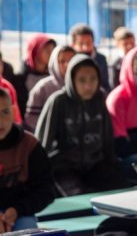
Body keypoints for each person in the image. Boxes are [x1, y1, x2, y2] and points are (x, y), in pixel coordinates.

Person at [35, 54, 126, 196]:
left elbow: (107, 137)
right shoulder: (58, 101)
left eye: (93, 79)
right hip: (64, 167)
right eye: (82, 80)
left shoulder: (99, 98)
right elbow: (43, 141)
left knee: (120, 189)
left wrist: (112, 163)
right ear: (72, 80)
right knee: (79, 197)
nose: (88, 85)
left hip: (95, 164)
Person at [0, 88, 55, 232]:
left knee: (26, 230)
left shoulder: (29, 145)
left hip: (20, 213)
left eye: (5, 112)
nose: (0, 120)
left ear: (13, 112)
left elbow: (46, 189)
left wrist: (16, 210)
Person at [24, 44, 76, 131]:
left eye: (71, 60)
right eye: (62, 61)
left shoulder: (83, 86)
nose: (67, 65)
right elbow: (31, 122)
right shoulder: (42, 88)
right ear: (54, 63)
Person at [13, 34, 56, 117]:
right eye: (47, 50)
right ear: (35, 51)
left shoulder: (54, 76)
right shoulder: (20, 78)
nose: (51, 54)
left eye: (52, 50)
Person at [69, 24, 110, 92]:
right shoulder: (68, 60)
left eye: (88, 43)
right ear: (73, 45)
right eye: (81, 44)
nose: (85, 47)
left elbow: (105, 85)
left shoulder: (101, 59)